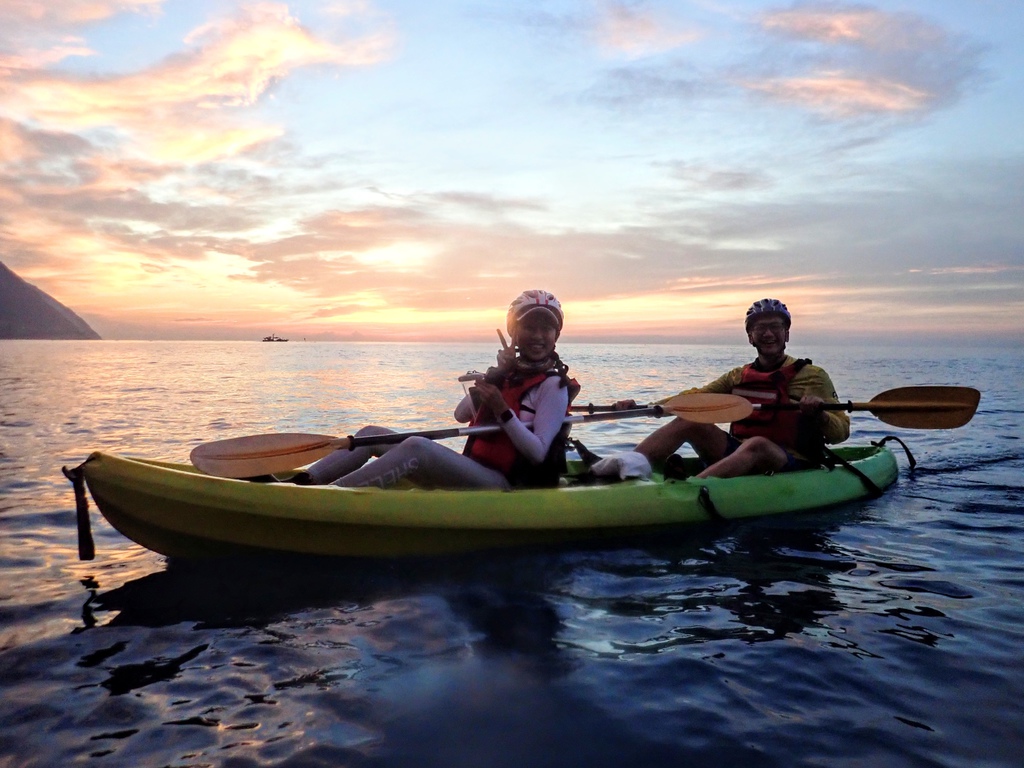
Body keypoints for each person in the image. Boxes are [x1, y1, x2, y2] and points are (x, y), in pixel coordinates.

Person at [297, 289, 578, 489]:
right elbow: (460, 414)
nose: (538, 336)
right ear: (514, 332)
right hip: (477, 470)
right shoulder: (506, 376)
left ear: (556, 335)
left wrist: (502, 410)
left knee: (417, 447)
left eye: (546, 329)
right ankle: (306, 482)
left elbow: (538, 453)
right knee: (370, 435)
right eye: (530, 327)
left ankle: (332, 494)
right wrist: (496, 376)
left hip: (507, 484)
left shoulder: (552, 386)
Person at [596, 298, 849, 480]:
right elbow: (695, 398)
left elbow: (841, 433)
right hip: (736, 453)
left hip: (791, 462)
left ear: (786, 334)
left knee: (758, 444)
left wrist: (820, 414)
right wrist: (646, 407)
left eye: (775, 327)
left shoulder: (813, 376)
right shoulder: (738, 376)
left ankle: (693, 489)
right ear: (750, 337)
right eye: (760, 328)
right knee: (690, 420)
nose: (768, 334)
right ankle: (627, 465)